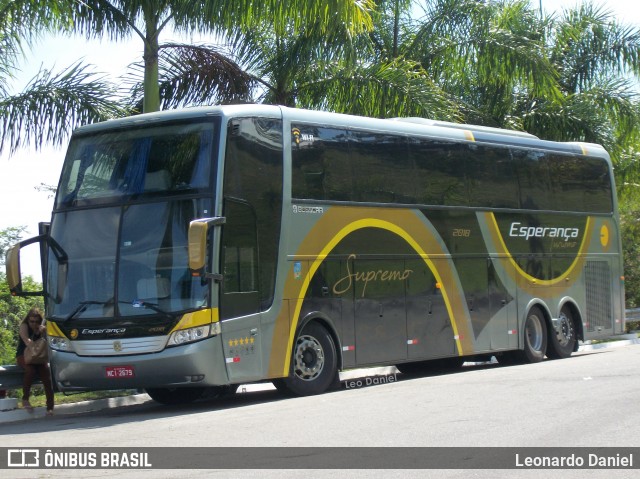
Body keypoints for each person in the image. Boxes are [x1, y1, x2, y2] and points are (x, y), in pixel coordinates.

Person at [16, 307, 54, 415]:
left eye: (36, 321)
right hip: (24, 355)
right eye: (31, 321)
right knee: (30, 370)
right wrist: (37, 334)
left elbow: (46, 342)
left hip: (38, 356)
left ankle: (50, 407)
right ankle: (25, 398)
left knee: (46, 375)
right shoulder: (24, 326)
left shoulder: (42, 328)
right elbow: (27, 341)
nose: (34, 324)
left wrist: (43, 332)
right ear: (28, 320)